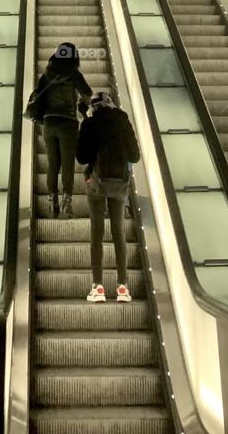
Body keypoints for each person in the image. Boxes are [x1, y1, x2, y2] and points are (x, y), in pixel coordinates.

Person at [76, 90, 140, 303]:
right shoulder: (123, 121)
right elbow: (134, 156)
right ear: (111, 103)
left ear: (93, 107)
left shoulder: (90, 124)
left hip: (97, 184)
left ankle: (98, 287)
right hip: (120, 184)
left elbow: (82, 157)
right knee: (119, 232)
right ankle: (123, 287)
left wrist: (84, 121)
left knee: (97, 234)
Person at [30, 42, 92, 218]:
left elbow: (38, 97)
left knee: (52, 164)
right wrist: (81, 106)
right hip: (68, 123)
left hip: (49, 123)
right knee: (67, 164)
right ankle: (67, 204)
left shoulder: (47, 74)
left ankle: (52, 203)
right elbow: (87, 93)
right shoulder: (74, 74)